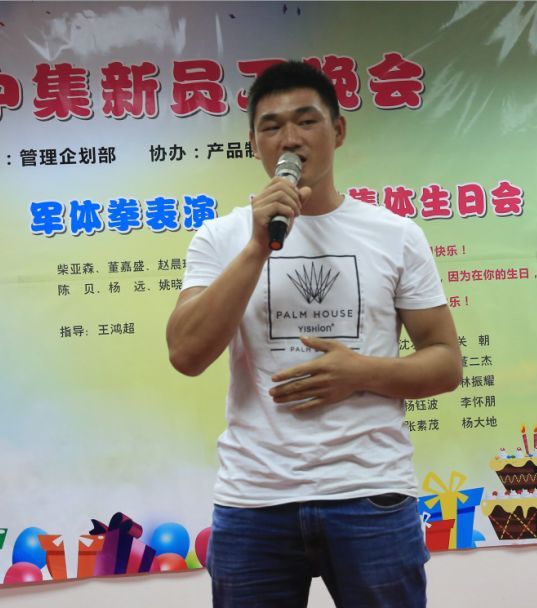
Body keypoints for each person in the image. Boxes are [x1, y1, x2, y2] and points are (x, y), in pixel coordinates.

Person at [167, 60, 461, 607]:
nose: (290, 139)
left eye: (306, 121)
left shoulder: (395, 235)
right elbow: (186, 353)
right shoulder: (221, 237)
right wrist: (257, 246)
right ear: (254, 142)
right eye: (272, 126)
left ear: (338, 130)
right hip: (255, 499)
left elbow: (445, 361)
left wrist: (360, 373)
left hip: (370, 494)